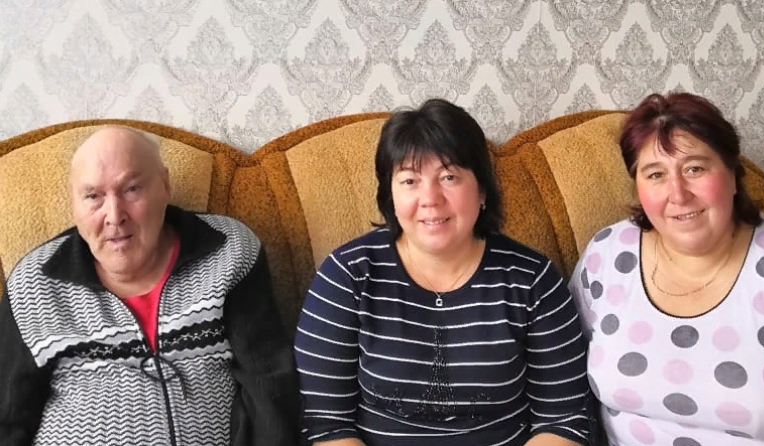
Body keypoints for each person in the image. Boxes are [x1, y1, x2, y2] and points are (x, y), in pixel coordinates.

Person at [294, 98, 592, 446]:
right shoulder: (347, 275)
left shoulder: (533, 279)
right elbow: (326, 422)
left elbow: (565, 419)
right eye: (410, 180)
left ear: (482, 190)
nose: (430, 198)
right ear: (390, 194)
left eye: (449, 177)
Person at [0, 126, 299, 445]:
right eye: (93, 196)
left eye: (131, 189)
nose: (114, 216)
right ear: (73, 201)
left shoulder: (229, 250)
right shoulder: (35, 281)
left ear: (164, 185)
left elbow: (269, 387)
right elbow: (7, 416)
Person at [569, 92, 764, 445]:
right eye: (655, 174)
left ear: (733, 175)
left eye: (694, 169)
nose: (678, 193)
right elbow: (563, 382)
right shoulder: (607, 255)